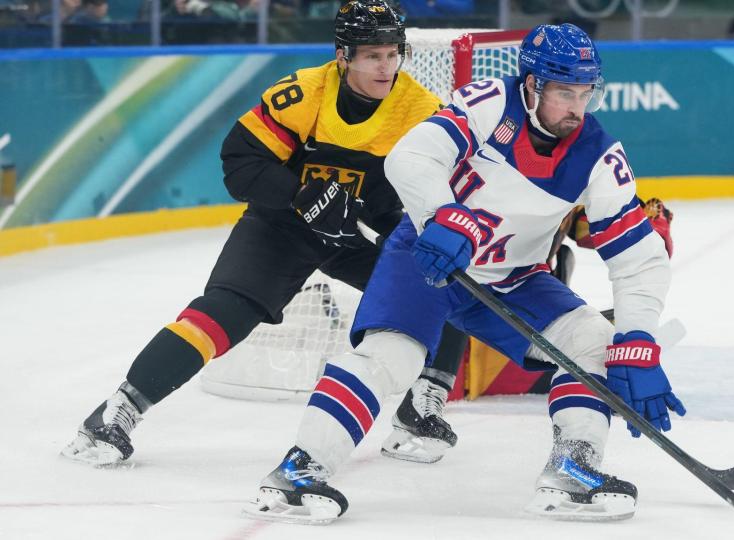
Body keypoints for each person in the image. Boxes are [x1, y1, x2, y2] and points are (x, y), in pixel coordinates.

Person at [246, 23, 684, 524]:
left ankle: (571, 472)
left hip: (514, 278)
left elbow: (639, 257)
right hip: (429, 258)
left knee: (597, 344)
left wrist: (639, 338)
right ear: (533, 84)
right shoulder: (489, 101)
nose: (577, 108)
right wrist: (441, 214)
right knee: (390, 357)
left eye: (588, 93)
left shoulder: (600, 154)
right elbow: (412, 155)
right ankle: (298, 472)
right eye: (566, 92)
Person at [60, 0, 465, 467]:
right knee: (223, 314)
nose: (386, 66)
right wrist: (302, 194)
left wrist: (400, 227)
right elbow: (240, 163)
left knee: (445, 283)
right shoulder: (303, 93)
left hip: (356, 233)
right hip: (283, 226)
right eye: (373, 55)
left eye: (394, 53)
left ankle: (423, 403)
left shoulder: (422, 111)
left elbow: (424, 196)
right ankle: (118, 412)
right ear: (343, 55)